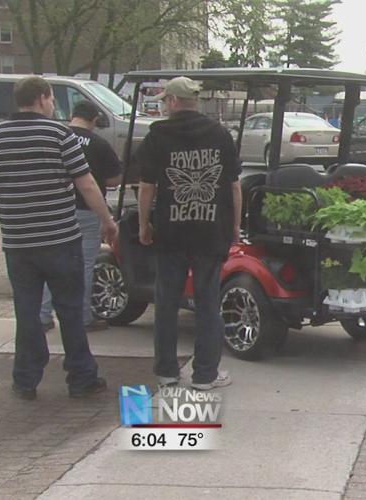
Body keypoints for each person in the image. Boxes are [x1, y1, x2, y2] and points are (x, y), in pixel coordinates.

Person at [0, 76, 117, 400]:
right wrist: (107, 220)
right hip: (60, 239)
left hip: (19, 242)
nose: (54, 106)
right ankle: (81, 376)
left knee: (26, 312)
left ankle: (25, 379)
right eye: (52, 99)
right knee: (69, 310)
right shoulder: (59, 134)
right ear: (41, 98)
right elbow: (86, 184)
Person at [137, 76, 242, 390]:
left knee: (167, 302)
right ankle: (205, 374)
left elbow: (147, 187)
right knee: (208, 302)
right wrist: (235, 226)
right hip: (211, 232)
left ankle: (168, 372)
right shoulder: (220, 135)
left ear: (171, 101)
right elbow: (234, 186)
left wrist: (144, 224)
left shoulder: (157, 136)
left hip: (171, 232)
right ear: (195, 101)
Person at [40, 100, 122, 333]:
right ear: (94, 120)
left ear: (72, 115)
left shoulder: (56, 137)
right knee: (84, 265)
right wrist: (107, 219)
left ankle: (43, 316)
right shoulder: (98, 143)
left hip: (55, 211)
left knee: (50, 265)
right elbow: (113, 180)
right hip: (87, 211)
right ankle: (83, 317)